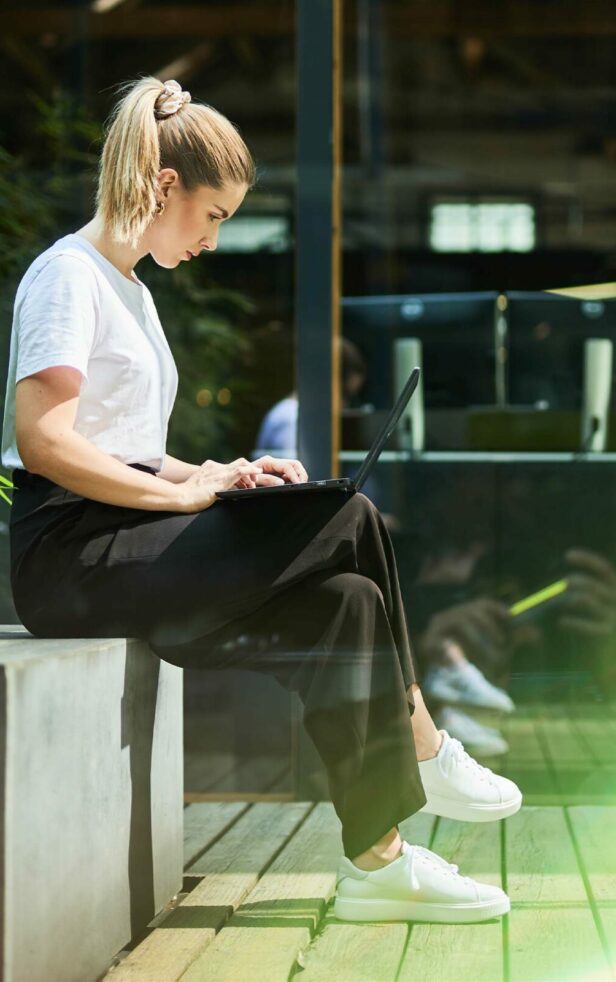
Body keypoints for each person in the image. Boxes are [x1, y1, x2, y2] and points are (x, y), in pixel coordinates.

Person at [1, 76, 522, 925]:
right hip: (69, 558)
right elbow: (46, 444)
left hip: (126, 539)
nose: (215, 238)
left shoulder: (130, 289)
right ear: (165, 186)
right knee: (347, 514)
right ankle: (425, 741)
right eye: (214, 215)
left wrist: (211, 471)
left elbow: (119, 445)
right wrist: (180, 503)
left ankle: (378, 864)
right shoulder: (69, 276)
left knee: (346, 602)